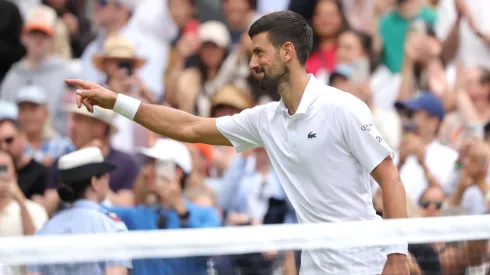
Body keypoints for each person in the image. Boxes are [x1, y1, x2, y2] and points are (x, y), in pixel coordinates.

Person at [68, 10, 409, 274]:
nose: (252, 63)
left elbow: (390, 178)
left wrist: (397, 256)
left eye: (259, 52)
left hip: (366, 263)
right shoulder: (265, 120)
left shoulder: (342, 107)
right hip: (316, 265)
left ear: (287, 52)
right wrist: (116, 102)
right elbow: (189, 127)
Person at [106, 139, 221, 275]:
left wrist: (182, 212)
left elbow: (207, 253)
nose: (146, 172)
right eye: (147, 164)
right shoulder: (137, 214)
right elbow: (93, 211)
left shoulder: (206, 214)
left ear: (177, 172)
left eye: (155, 164)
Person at [26, 147, 132, 275]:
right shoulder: (110, 226)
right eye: (105, 176)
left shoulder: (46, 230)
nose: (107, 181)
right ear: (94, 182)